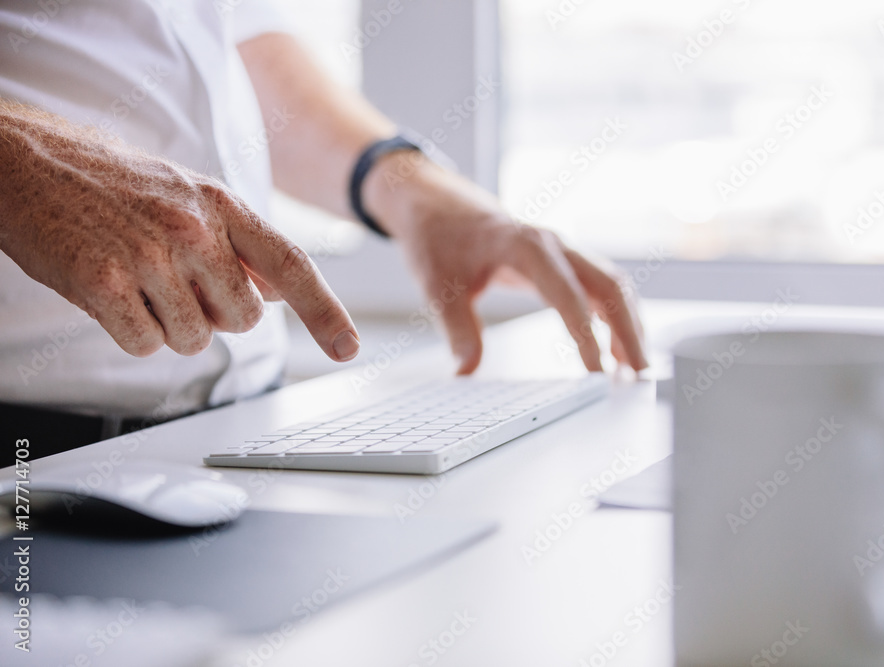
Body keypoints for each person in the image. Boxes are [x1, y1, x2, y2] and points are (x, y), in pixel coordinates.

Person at [0, 1, 647, 455]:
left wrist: (410, 190)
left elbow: (225, 46)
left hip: (236, 429)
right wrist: (20, 161)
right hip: (26, 447)